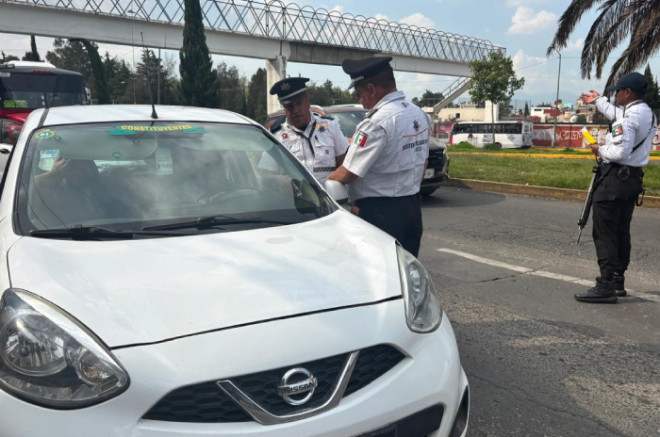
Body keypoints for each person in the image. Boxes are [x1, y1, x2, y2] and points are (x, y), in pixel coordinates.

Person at [327, 56, 430, 257]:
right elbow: (423, 162)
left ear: (371, 89)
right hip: (412, 209)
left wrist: (323, 186)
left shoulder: (376, 123)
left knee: (376, 271)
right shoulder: (419, 114)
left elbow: (348, 172)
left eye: (359, 95)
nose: (360, 101)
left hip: (380, 215)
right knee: (404, 269)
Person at [575, 72, 657, 304]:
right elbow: (615, 113)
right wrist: (598, 100)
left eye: (617, 92)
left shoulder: (627, 119)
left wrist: (599, 149)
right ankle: (618, 279)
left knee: (605, 232)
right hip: (632, 180)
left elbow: (620, 152)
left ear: (627, 93)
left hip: (614, 180)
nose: (615, 96)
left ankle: (606, 285)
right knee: (621, 229)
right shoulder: (647, 114)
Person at [267, 77, 349, 183]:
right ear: (284, 108)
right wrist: (288, 184)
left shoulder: (330, 127)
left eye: (299, 103)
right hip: (295, 193)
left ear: (308, 102)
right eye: (289, 106)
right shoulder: (276, 137)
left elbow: (345, 165)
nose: (295, 110)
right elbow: (268, 175)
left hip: (329, 192)